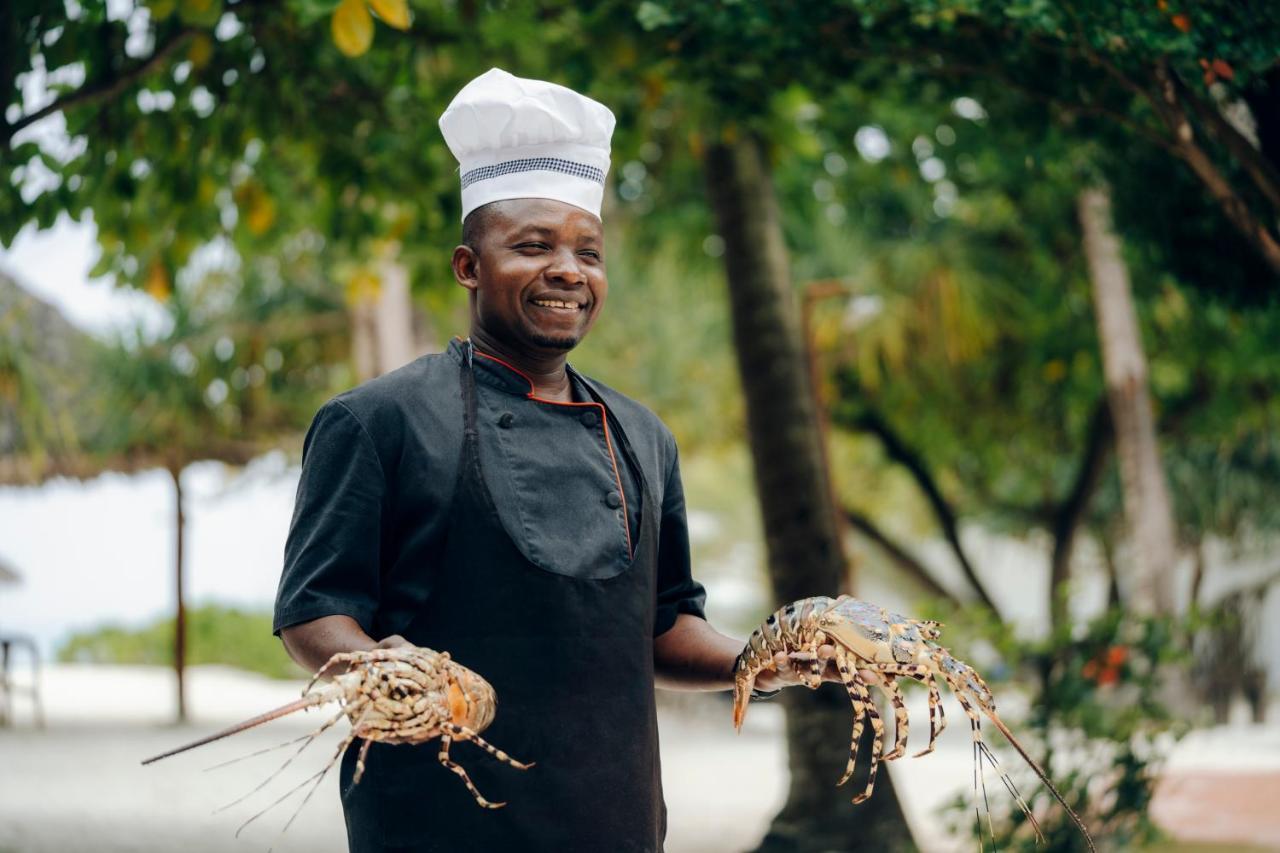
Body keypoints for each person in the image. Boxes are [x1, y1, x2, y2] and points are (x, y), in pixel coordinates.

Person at [273, 68, 831, 853]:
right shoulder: (375, 421)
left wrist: (760, 661)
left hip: (618, 825)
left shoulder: (643, 436)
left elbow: (666, 626)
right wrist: (373, 663)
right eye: (532, 245)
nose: (569, 269)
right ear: (469, 266)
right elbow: (311, 610)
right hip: (432, 828)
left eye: (588, 252)